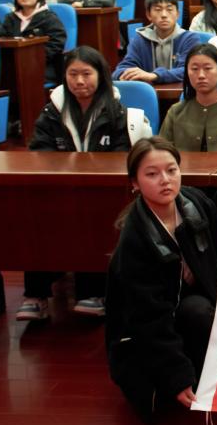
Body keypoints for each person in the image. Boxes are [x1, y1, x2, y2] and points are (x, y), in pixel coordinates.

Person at [106, 137, 217, 422]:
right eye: (152, 174)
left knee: (199, 310)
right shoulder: (134, 240)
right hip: (148, 330)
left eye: (172, 170)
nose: (165, 180)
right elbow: (148, 318)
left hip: (188, 311)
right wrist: (177, 375)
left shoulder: (192, 201)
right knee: (160, 403)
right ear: (135, 183)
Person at [20, 46, 144, 322]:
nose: (79, 81)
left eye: (86, 74)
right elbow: (39, 151)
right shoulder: (52, 112)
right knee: (38, 218)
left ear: (100, 75)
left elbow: (123, 155)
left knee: (96, 217)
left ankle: (93, 292)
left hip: (102, 192)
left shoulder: (117, 112)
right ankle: (35, 295)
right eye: (73, 74)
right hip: (60, 189)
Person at [160, 44, 217, 151]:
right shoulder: (175, 112)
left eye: (207, 68)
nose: (201, 75)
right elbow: (162, 152)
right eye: (194, 69)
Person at [114, 0, 198, 85]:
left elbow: (189, 70)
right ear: (148, 15)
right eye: (158, 10)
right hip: (147, 92)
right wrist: (125, 74)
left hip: (181, 91)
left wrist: (155, 75)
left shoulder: (189, 38)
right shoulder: (140, 39)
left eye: (169, 9)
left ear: (177, 14)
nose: (164, 15)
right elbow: (121, 69)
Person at [0, 0, 67, 84]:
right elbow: (2, 39)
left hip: (43, 66)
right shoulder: (10, 18)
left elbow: (57, 43)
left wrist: (33, 60)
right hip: (14, 66)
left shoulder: (49, 18)